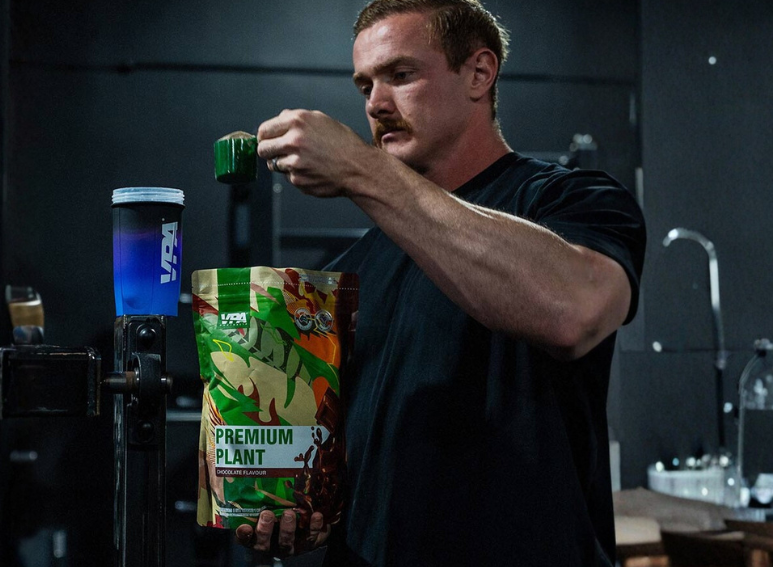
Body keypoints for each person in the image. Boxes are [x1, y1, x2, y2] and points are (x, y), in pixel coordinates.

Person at [236, 0, 646, 564]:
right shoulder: (353, 267)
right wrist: (297, 508)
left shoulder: (570, 201)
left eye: (401, 75)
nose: (377, 104)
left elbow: (572, 311)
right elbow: (331, 460)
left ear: (479, 74)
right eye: (364, 86)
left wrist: (361, 170)